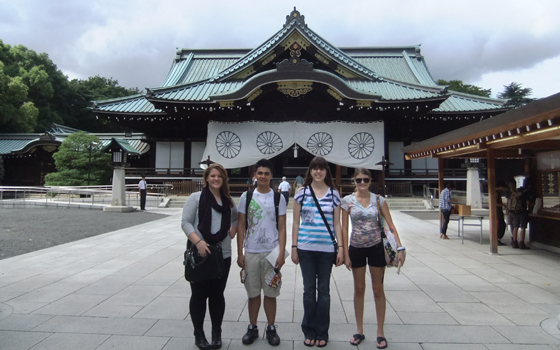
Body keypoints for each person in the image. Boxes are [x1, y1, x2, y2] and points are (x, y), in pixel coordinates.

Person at [341, 168, 405, 349]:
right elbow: (345, 228)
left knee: (378, 289)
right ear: (354, 181)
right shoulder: (347, 201)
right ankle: (359, 329)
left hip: (376, 246)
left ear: (371, 181)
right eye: (359, 180)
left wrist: (400, 247)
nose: (362, 183)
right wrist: (345, 253)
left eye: (365, 180)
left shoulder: (379, 200)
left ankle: (380, 331)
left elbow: (390, 225)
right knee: (359, 289)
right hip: (356, 247)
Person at [181, 164, 238, 350]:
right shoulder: (196, 198)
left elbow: (236, 218)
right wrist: (198, 242)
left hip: (223, 254)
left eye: (219, 176)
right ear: (206, 178)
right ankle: (199, 333)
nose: (216, 179)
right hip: (201, 253)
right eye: (212, 175)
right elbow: (186, 222)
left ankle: (216, 332)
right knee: (198, 295)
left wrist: (234, 229)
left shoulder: (228, 201)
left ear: (224, 179)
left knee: (217, 294)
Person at [291, 156, 344, 348]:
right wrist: (294, 247)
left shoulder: (334, 194)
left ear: (326, 171)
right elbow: (296, 222)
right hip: (305, 247)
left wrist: (341, 249)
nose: (318, 172)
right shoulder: (301, 193)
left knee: (324, 291)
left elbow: (337, 223)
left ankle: (322, 331)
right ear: (310, 171)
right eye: (315, 168)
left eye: (322, 169)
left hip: (326, 249)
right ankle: (309, 329)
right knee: (308, 291)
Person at [237, 158, 287, 346]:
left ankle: (271, 327)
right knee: (252, 292)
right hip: (251, 250)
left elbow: (282, 227)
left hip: (271, 252)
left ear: (271, 176)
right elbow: (241, 225)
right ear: (255, 175)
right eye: (260, 173)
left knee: (271, 292)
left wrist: (281, 252)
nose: (263, 176)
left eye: (266, 173)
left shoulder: (278, 197)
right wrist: (240, 252)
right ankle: (253, 326)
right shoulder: (246, 197)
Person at [496, 180, 508, 246]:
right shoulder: (496, 193)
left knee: (502, 224)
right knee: (500, 225)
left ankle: (498, 238)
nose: (503, 190)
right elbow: (495, 203)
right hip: (497, 211)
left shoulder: (497, 193)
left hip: (499, 211)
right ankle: (497, 238)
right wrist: (503, 205)